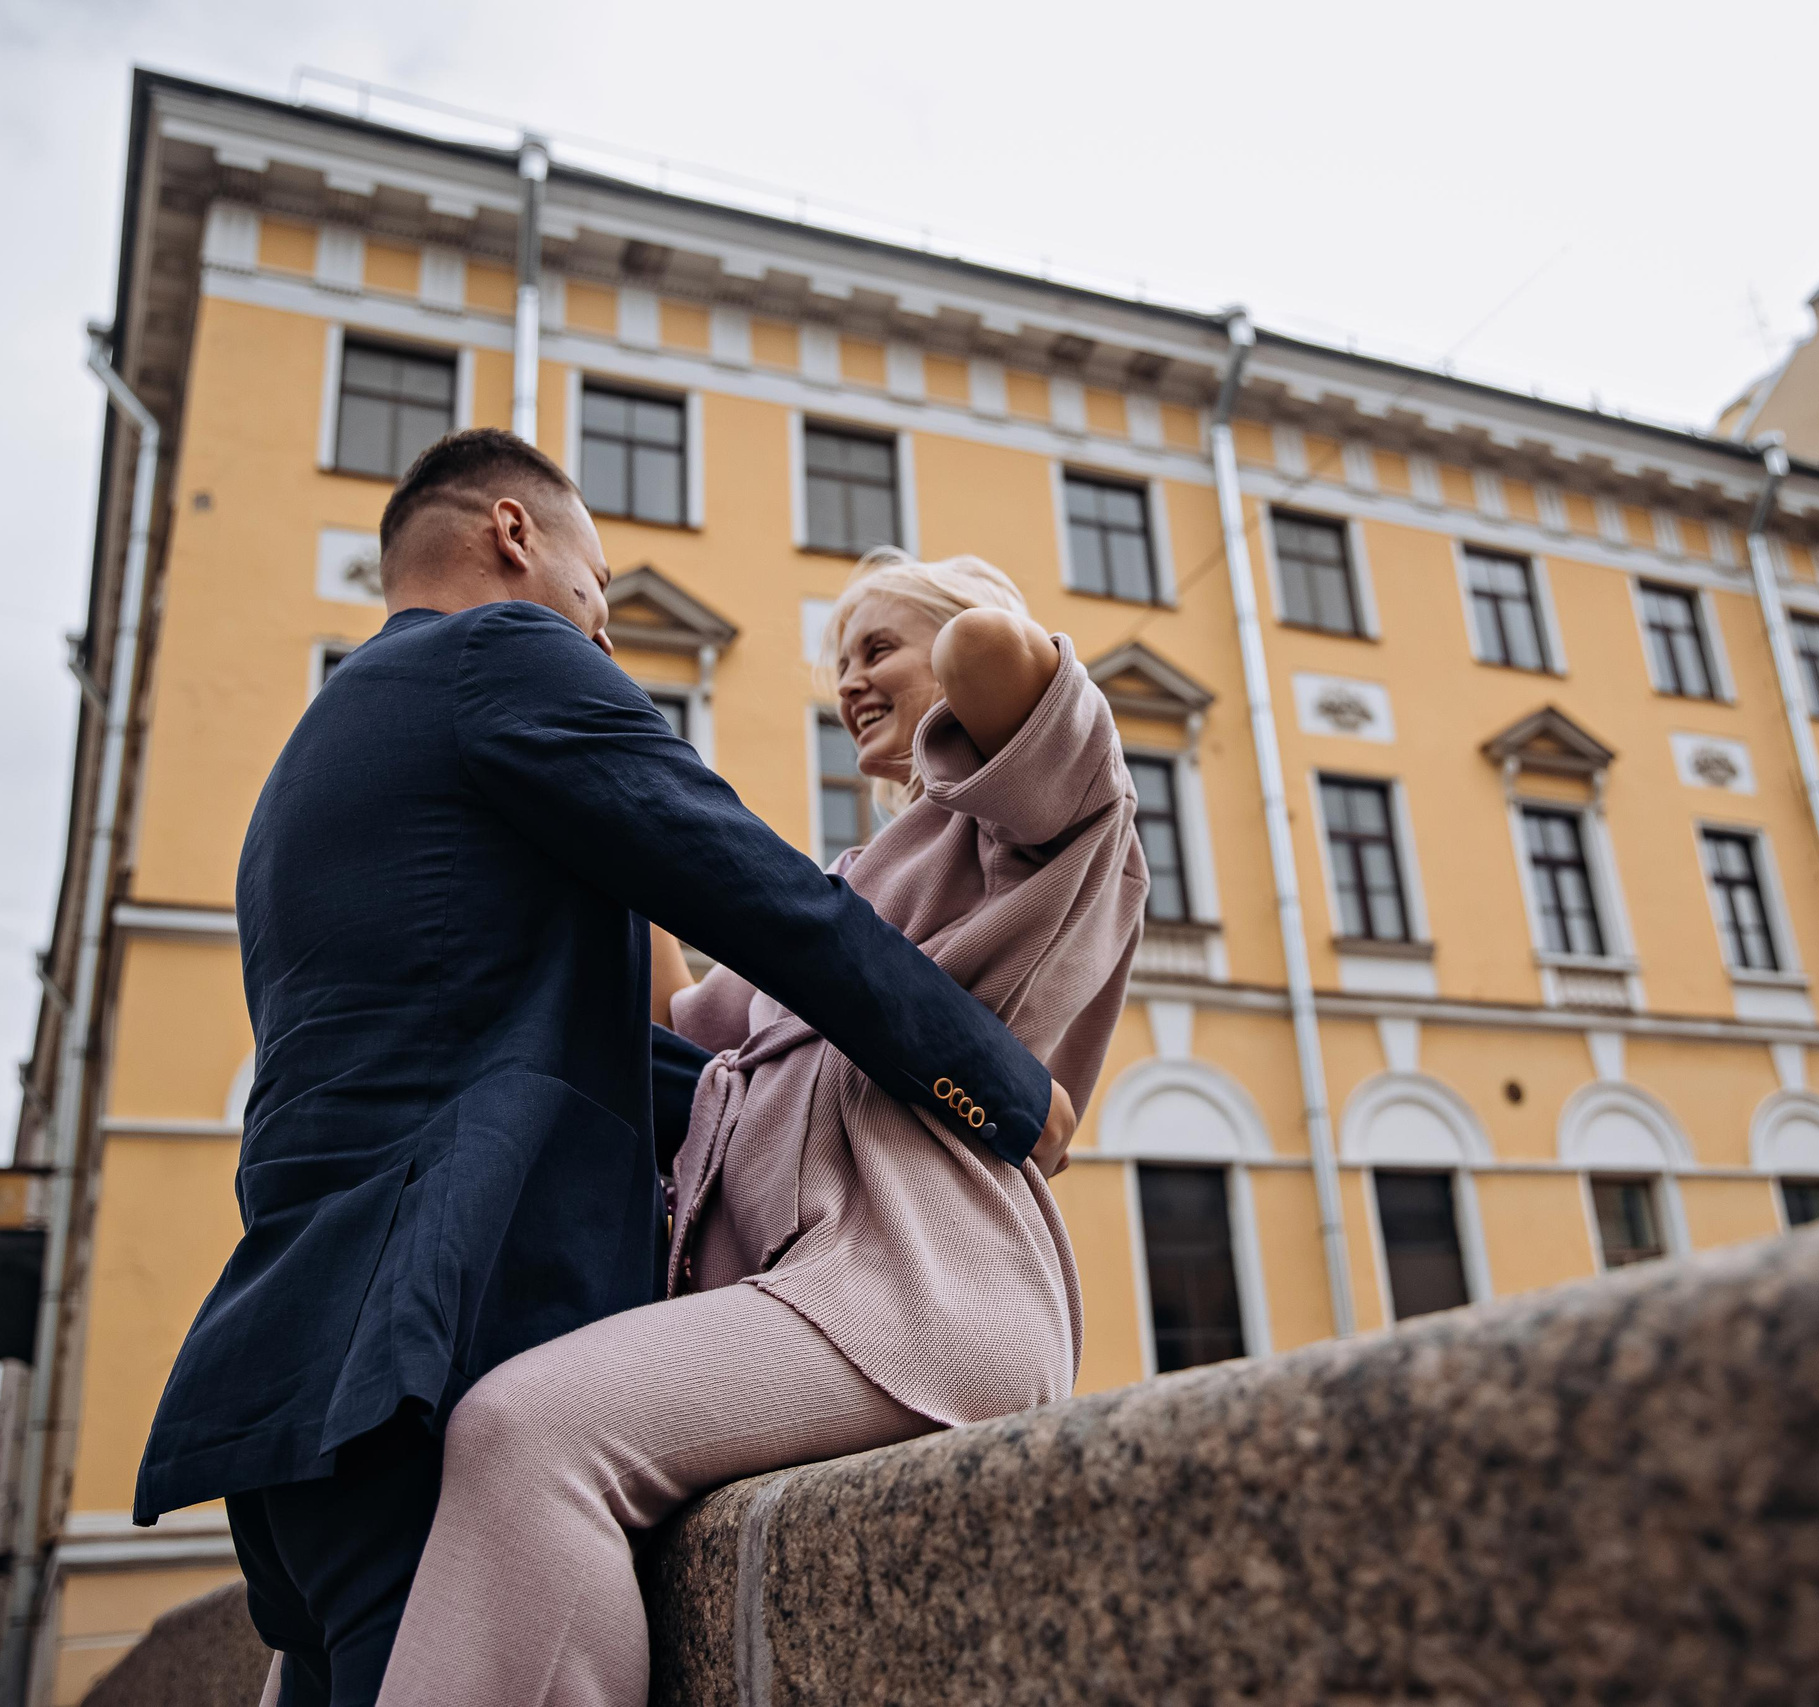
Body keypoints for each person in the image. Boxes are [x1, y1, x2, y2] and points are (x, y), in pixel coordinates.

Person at [130, 432, 1077, 1707]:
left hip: (301, 1366)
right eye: (599, 584)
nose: (606, 632)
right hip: (446, 1340)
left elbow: (546, 1045)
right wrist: (999, 1087)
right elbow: (759, 891)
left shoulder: (315, 757)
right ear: (514, 534)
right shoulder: (500, 654)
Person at [374, 549, 1146, 1706]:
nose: (850, 682)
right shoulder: (852, 883)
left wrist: (945, 619)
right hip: (818, 1299)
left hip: (923, 1294)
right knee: (478, 1444)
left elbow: (996, 659)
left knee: (521, 1429)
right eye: (840, 662)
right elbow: (681, 1023)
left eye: (875, 650)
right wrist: (591, 803)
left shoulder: (1031, 827)